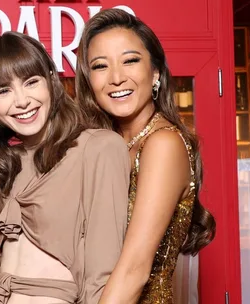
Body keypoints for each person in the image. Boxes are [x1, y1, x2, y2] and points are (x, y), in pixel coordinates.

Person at [0, 31, 131, 304]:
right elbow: (13, 267)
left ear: (51, 80)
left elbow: (103, 274)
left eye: (31, 82)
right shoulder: (5, 163)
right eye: (3, 91)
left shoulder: (98, 148)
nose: (21, 101)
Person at [74, 8, 216, 304]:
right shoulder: (106, 146)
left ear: (155, 73)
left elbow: (135, 270)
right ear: (89, 82)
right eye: (100, 66)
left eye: (130, 60)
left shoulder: (163, 143)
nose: (116, 78)